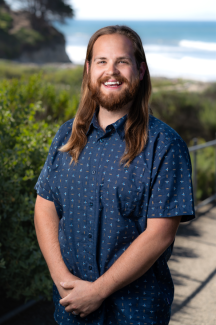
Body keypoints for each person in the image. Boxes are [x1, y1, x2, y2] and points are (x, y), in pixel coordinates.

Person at [34, 25, 195, 325]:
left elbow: (160, 234)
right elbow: (45, 206)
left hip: (136, 314)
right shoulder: (66, 137)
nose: (112, 71)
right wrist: (62, 280)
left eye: (122, 61)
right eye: (102, 61)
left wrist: (97, 292)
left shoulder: (165, 145)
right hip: (70, 310)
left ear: (140, 70)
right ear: (88, 70)